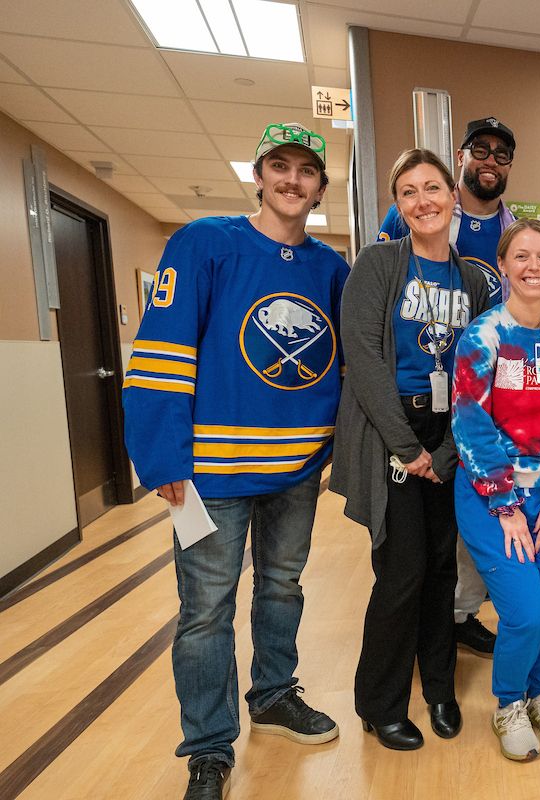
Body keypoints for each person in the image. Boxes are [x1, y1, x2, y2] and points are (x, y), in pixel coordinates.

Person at [122, 123, 346, 800]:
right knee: (204, 612)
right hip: (201, 481)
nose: (291, 180)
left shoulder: (330, 269)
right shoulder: (203, 244)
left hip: (296, 474)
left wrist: (331, 452)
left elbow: (337, 365)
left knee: (283, 588)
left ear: (320, 187)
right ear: (257, 174)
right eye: (279, 166)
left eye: (305, 170)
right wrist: (162, 460)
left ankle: (274, 694)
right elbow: (159, 355)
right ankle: (209, 749)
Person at [331, 149, 490, 752]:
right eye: (407, 192)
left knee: (442, 570)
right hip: (391, 435)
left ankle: (441, 691)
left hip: (448, 438)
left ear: (454, 197)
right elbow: (364, 359)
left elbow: (479, 371)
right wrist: (406, 447)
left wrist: (446, 451)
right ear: (397, 205)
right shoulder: (378, 263)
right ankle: (381, 702)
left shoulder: (473, 278)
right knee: (401, 574)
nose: (423, 200)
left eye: (433, 188)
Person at [451, 218, 540, 762]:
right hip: (493, 498)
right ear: (505, 266)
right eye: (521, 257)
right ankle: (509, 703)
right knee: (526, 614)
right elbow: (469, 423)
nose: (533, 267)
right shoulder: (483, 336)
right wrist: (506, 507)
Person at [377, 117, 521, 657]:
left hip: (477, 397)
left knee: (467, 523)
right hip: (413, 398)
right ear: (460, 158)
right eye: (479, 150)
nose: (490, 161)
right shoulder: (410, 214)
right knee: (412, 544)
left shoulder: (511, 230)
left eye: (501, 155)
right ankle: (417, 630)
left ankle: (457, 618)